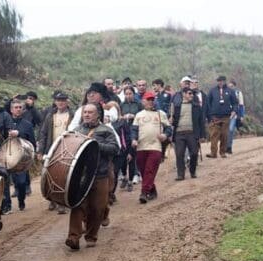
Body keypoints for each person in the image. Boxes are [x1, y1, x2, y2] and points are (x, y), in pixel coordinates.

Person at [66, 103, 119, 250]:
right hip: (81, 175)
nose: (87, 115)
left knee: (97, 208)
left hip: (100, 174)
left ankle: (91, 236)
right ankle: (73, 237)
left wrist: (95, 145)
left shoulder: (106, 130)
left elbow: (115, 149)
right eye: (85, 112)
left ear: (98, 115)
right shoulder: (77, 131)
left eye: (90, 112)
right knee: (77, 205)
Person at [131, 91, 172, 203]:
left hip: (155, 146)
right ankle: (152, 189)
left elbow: (168, 128)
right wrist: (134, 139)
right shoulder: (139, 115)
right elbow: (134, 130)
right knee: (143, 171)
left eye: (152, 100)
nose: (150, 102)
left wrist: (165, 135)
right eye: (148, 99)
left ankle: (144, 193)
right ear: (143, 101)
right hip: (141, 146)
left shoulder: (160, 114)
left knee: (150, 170)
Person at [38, 91, 74, 214]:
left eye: (63, 100)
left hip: (68, 149)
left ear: (67, 102)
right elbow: (43, 134)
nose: (61, 103)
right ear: (55, 102)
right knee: (49, 175)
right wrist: (40, 150)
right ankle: (52, 199)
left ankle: (61, 202)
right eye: (58, 100)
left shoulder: (73, 115)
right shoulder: (50, 116)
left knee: (64, 175)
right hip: (52, 149)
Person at [171, 88, 206, 180]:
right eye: (189, 93)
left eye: (192, 94)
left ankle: (192, 170)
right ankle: (180, 174)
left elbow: (201, 122)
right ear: (183, 94)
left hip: (192, 133)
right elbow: (173, 120)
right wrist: (171, 120)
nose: (192, 95)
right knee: (179, 154)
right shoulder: (177, 106)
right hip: (179, 133)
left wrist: (202, 135)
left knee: (194, 153)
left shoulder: (196, 107)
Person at [9, 99, 36, 211]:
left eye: (20, 107)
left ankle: (21, 200)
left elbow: (32, 141)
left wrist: (19, 134)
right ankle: (6, 206)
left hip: (22, 157)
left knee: (21, 182)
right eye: (16, 107)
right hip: (8, 155)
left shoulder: (27, 124)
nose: (18, 109)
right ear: (11, 110)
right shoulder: (6, 122)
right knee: (7, 181)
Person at [206, 75, 238, 158]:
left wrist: (234, 111)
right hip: (215, 116)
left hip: (226, 116)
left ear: (225, 81)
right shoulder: (212, 91)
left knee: (224, 135)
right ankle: (213, 153)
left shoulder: (230, 91)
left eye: (222, 81)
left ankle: (223, 152)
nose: (220, 82)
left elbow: (235, 103)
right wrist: (209, 114)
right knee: (214, 134)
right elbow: (208, 103)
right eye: (219, 81)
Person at [227, 80, 245, 154]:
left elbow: (241, 105)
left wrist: (242, 116)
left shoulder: (238, 93)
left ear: (234, 86)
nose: (230, 87)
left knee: (231, 129)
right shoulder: (225, 93)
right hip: (225, 114)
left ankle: (229, 147)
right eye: (229, 86)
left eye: (232, 86)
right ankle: (224, 146)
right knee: (225, 131)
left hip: (235, 114)